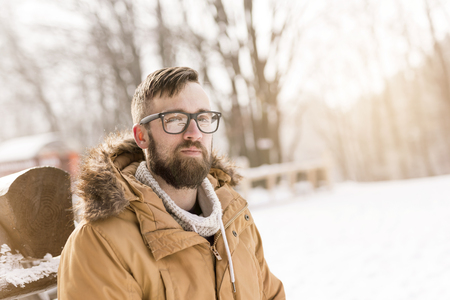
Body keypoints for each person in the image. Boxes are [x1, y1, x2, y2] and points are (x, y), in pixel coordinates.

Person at [57, 67, 285, 299]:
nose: (194, 133)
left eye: (203, 118)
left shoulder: (234, 219)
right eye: (176, 119)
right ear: (141, 136)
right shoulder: (101, 243)